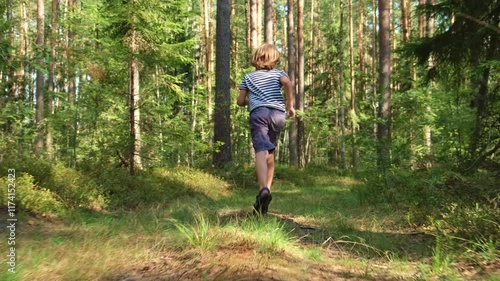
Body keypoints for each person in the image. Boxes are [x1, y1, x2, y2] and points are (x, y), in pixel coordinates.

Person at [237, 43, 295, 215]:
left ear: (256, 59)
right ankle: (266, 192)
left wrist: (252, 102)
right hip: (278, 114)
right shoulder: (279, 73)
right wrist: (290, 105)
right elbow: (287, 83)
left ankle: (263, 189)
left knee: (261, 151)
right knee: (270, 151)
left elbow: (240, 101)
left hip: (259, 114)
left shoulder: (248, 77)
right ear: (274, 59)